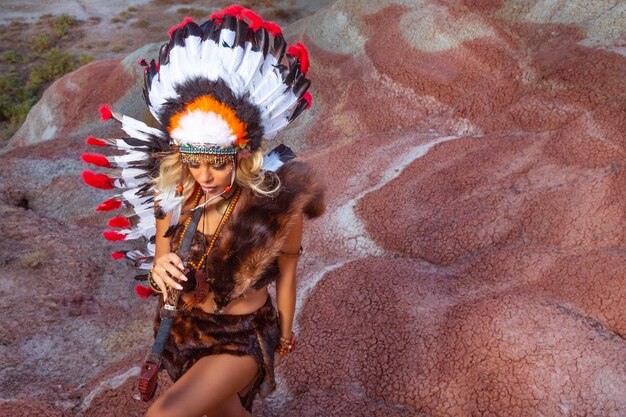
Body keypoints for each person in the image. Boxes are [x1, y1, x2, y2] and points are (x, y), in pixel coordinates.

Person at [80, 5, 325, 416]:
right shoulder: (171, 197)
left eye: (217, 164)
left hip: (243, 337)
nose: (205, 175)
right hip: (181, 331)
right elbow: (162, 265)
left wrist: (282, 334)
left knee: (164, 413)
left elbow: (287, 272)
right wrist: (160, 273)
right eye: (195, 163)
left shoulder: (276, 206)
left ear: (241, 157)